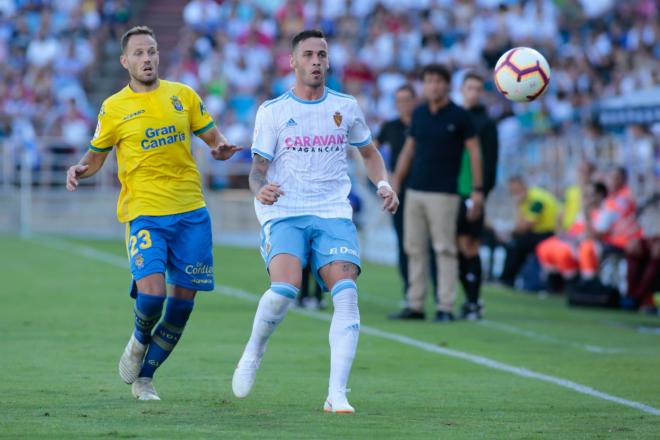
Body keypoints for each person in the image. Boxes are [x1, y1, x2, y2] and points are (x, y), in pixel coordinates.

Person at [65, 26, 241, 401]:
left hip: (191, 211)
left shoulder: (184, 96)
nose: (147, 59)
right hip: (144, 212)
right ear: (124, 61)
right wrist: (81, 168)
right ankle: (138, 338)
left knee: (181, 306)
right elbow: (96, 156)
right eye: (140, 54)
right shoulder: (114, 107)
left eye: (152, 51)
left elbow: (213, 137)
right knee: (152, 297)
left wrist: (221, 147)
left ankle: (145, 378)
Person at [231, 29, 398, 413]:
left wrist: (384, 183)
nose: (316, 61)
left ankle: (336, 393)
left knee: (346, 293)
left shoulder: (346, 106)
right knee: (286, 289)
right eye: (308, 55)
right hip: (285, 211)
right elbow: (257, 169)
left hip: (333, 211)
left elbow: (370, 154)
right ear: (293, 61)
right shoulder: (273, 111)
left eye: (322, 54)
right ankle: (254, 351)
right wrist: (260, 189)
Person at [389, 64, 484, 322]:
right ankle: (415, 304)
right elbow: (409, 149)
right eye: (429, 81)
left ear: (447, 85)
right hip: (415, 190)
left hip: (445, 193)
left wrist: (477, 190)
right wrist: (396, 181)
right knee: (414, 248)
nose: (433, 85)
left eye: (438, 81)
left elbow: (475, 152)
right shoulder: (419, 114)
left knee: (444, 249)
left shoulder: (460, 116)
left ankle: (445, 306)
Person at [375, 84, 437, 306]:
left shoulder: (425, 123)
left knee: (429, 242)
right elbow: (372, 151)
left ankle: (435, 291)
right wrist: (385, 176)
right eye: (399, 100)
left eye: (407, 99)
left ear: (415, 101)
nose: (404, 104)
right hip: (399, 193)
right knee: (404, 243)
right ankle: (409, 291)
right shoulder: (390, 126)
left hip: (426, 187)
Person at [455, 72, 499, 320]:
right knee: (455, 246)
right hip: (451, 192)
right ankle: (463, 299)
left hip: (472, 193)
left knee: (469, 244)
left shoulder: (486, 124)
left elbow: (490, 162)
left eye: (477, 89)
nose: (473, 92)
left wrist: (480, 193)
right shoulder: (456, 116)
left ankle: (473, 301)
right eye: (469, 88)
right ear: (461, 89)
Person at [499, 176, 560, 287]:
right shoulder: (526, 200)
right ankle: (508, 279)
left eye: (516, 190)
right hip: (536, 233)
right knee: (515, 241)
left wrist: (516, 206)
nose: (514, 194)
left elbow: (524, 227)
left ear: (524, 187)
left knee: (516, 244)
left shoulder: (537, 200)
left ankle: (507, 279)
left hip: (547, 234)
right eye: (512, 191)